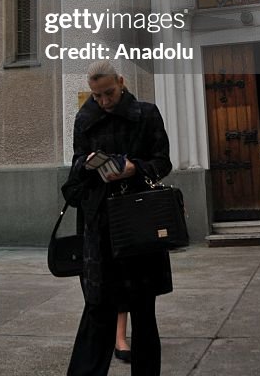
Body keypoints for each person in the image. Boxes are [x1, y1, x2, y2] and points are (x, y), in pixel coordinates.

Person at [62, 61, 173, 376]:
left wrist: (134, 168)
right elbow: (75, 173)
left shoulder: (147, 114)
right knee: (98, 309)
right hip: (101, 227)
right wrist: (87, 166)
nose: (104, 101)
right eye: (97, 96)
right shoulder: (85, 119)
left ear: (121, 82)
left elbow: (162, 161)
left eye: (108, 93)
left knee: (143, 310)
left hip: (140, 223)